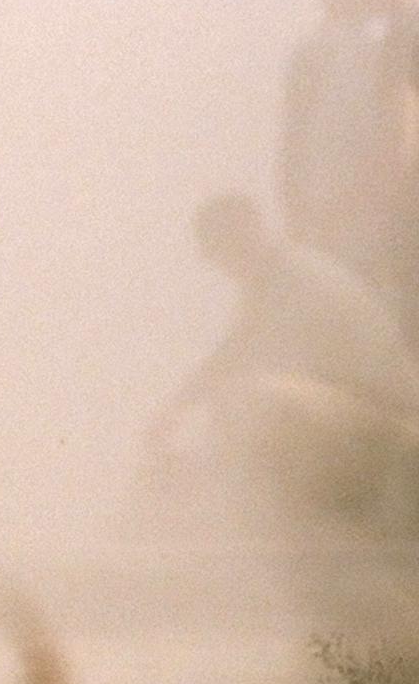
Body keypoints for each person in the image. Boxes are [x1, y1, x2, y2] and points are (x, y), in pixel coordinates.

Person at [146, 193, 419, 533]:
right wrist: (176, 407)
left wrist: (178, 413)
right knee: (255, 398)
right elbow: (233, 354)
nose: (224, 268)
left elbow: (242, 361)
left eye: (221, 252)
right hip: (371, 416)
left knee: (258, 400)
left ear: (244, 237)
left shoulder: (296, 281)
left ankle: (300, 522)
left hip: (394, 423)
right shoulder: (281, 277)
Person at [277, 0, 418, 299]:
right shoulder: (315, 54)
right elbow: (293, 143)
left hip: (389, 228)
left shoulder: (403, 38)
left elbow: (397, 145)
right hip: (333, 231)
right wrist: (301, 216)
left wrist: (345, 209)